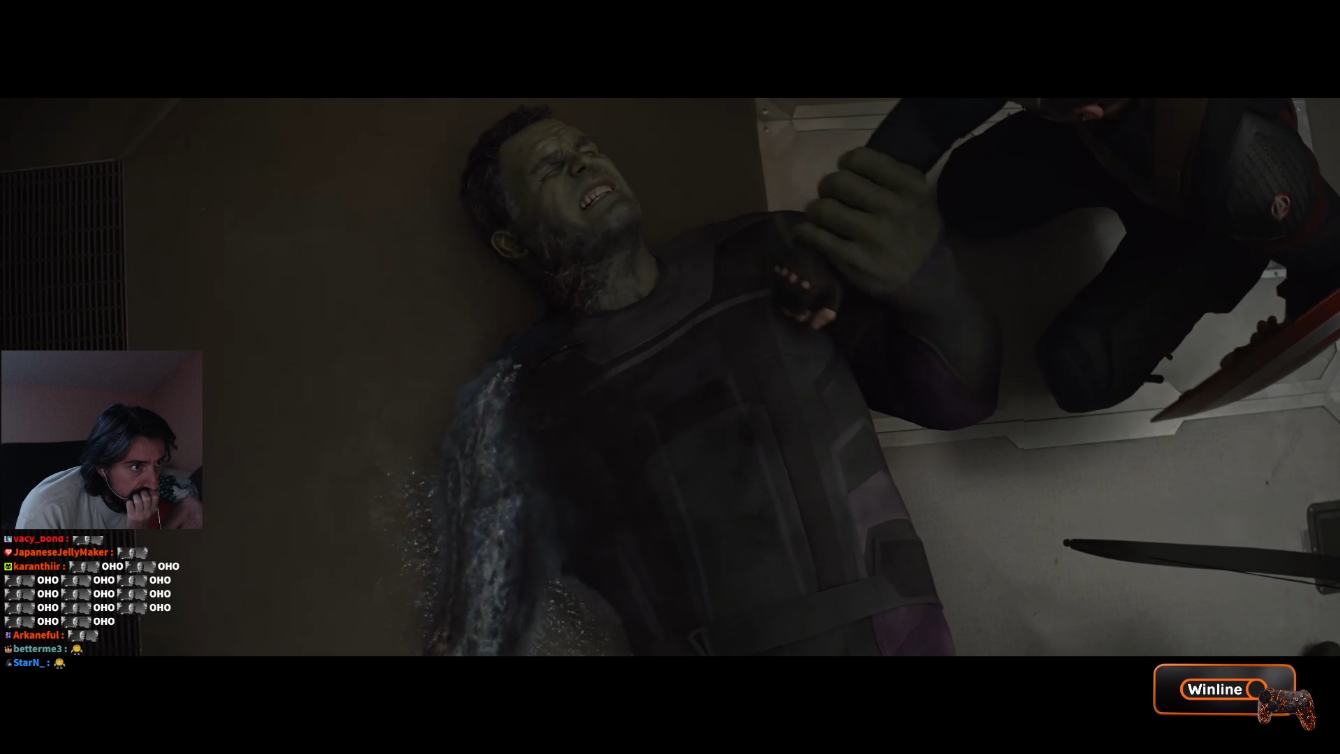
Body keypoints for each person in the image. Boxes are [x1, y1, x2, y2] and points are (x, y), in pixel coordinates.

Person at [426, 105, 1002, 656]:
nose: (583, 162)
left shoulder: (768, 255)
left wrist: (933, 290)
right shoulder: (526, 396)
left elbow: (959, 401)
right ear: (512, 241)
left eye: (587, 148)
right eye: (550, 166)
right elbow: (485, 607)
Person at [875, 98, 1340, 413]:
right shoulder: (1092, 114)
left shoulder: (1258, 171)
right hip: (1105, 148)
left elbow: (1332, 264)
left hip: (1202, 226)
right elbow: (926, 119)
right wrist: (868, 190)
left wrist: (1279, 345)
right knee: (965, 197)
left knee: (1081, 372)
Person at [14, 404, 202, 530]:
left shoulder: (133, 490)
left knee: (192, 507)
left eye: (158, 463)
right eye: (137, 466)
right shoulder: (46, 508)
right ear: (102, 467)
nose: (154, 484)